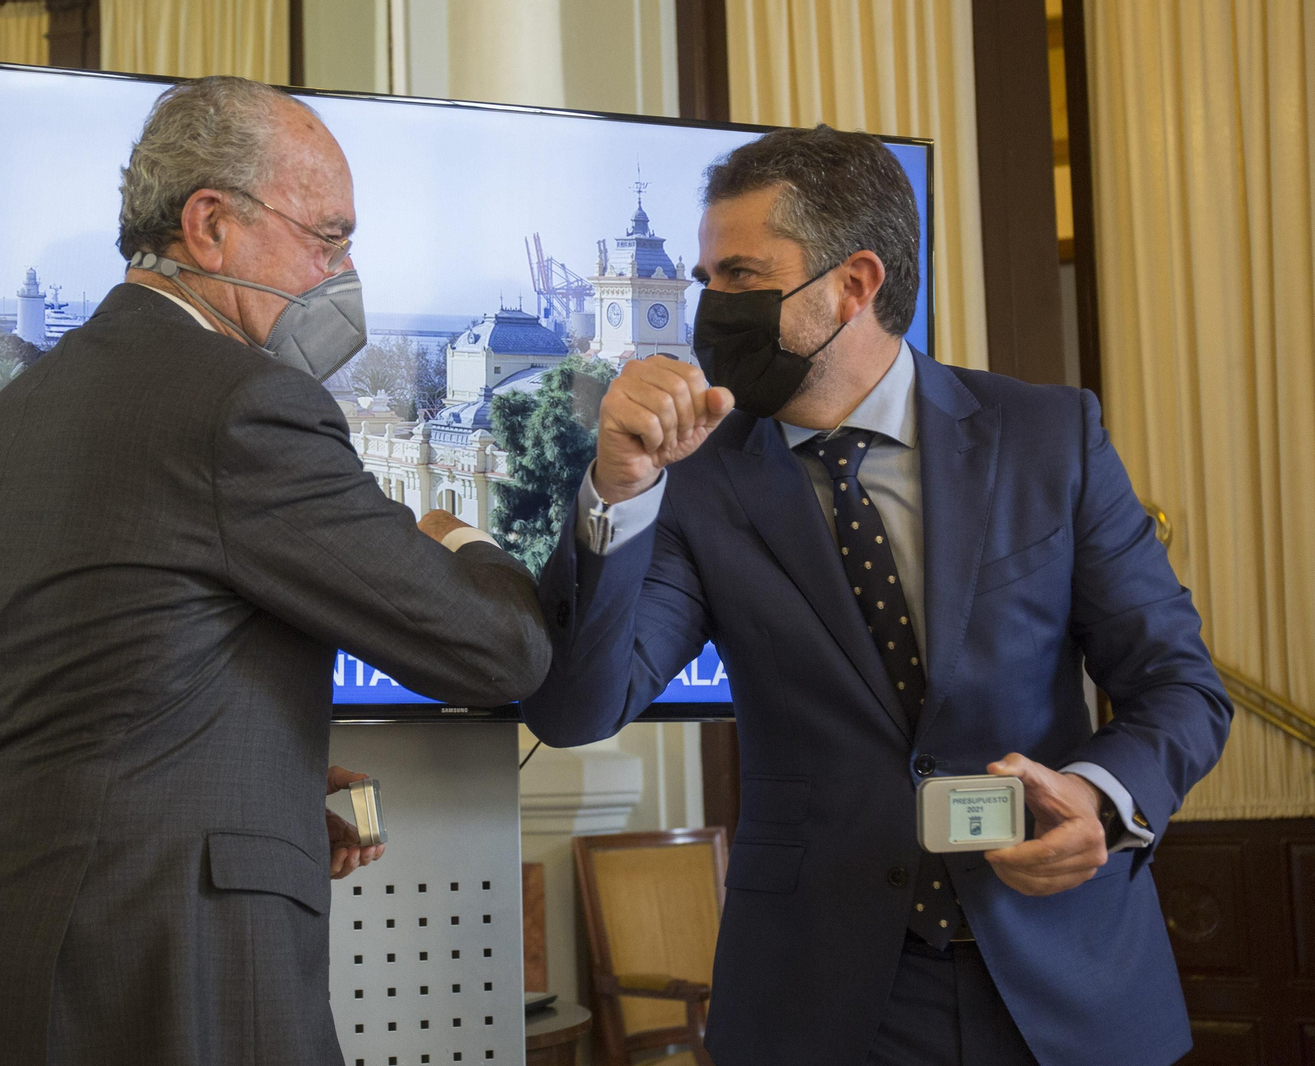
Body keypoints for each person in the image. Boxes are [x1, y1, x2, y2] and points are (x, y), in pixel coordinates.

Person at [521, 124, 1231, 1066]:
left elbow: (1181, 686)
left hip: (1072, 988)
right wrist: (617, 490)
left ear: (854, 285)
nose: (708, 312)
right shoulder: (692, 482)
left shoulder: (1049, 437)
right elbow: (575, 708)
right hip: (821, 1005)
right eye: (705, 283)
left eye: (739, 276)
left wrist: (1100, 803)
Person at [0, 77, 550, 1066]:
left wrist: (256, 779)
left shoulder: (27, 404)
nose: (345, 270)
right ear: (210, 226)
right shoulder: (242, 402)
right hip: (152, 977)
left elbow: (63, 687)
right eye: (327, 237)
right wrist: (460, 538)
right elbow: (498, 650)